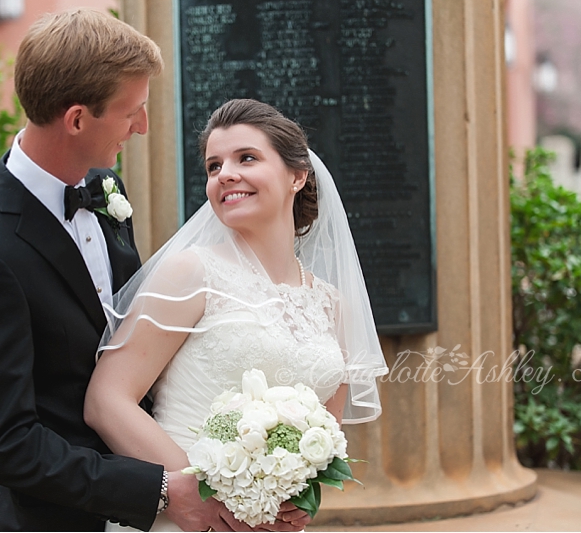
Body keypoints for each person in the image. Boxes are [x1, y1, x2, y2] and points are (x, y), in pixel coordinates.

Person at [0, 8, 256, 532]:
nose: (143, 127)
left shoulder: (105, 188)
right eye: (133, 111)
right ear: (78, 119)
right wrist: (156, 491)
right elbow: (6, 445)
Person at [84, 99, 389, 532]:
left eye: (246, 157)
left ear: (297, 176)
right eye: (213, 166)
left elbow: (325, 437)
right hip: (184, 518)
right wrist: (195, 494)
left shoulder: (330, 304)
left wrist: (301, 499)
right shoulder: (192, 272)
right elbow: (107, 400)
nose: (224, 173)